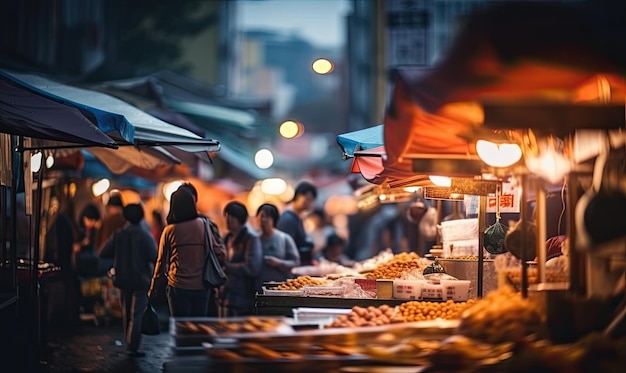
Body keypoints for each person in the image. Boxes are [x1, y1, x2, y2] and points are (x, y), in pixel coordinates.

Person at [148, 188, 222, 317]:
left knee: (180, 327)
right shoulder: (203, 225)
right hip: (201, 287)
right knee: (197, 326)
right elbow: (219, 252)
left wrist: (153, 287)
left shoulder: (169, 230)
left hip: (177, 287)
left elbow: (161, 261)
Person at [99, 204, 157, 358]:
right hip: (141, 280)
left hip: (123, 280)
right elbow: (154, 256)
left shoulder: (118, 235)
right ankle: (133, 347)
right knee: (136, 315)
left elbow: (103, 252)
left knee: (126, 312)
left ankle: (128, 344)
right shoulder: (145, 236)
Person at [175, 182, 225, 317]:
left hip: (198, 284)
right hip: (201, 285)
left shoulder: (205, 223)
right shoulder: (174, 226)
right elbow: (221, 253)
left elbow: (219, 253)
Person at [221, 201, 262, 316]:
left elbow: (253, 267)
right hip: (226, 294)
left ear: (240, 219)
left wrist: (227, 267)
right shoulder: (227, 238)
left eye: (231, 217)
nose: (228, 219)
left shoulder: (250, 238)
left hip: (243, 296)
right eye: (227, 216)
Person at [255, 203, 300, 293]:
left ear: (274, 220)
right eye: (261, 216)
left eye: (267, 217)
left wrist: (279, 263)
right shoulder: (253, 239)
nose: (263, 220)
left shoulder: (284, 238)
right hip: (257, 287)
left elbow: (295, 262)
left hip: (280, 287)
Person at [277, 181, 317, 265]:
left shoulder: (297, 217)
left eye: (311, 200)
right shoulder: (288, 218)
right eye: (307, 199)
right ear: (298, 196)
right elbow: (287, 247)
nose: (309, 203)